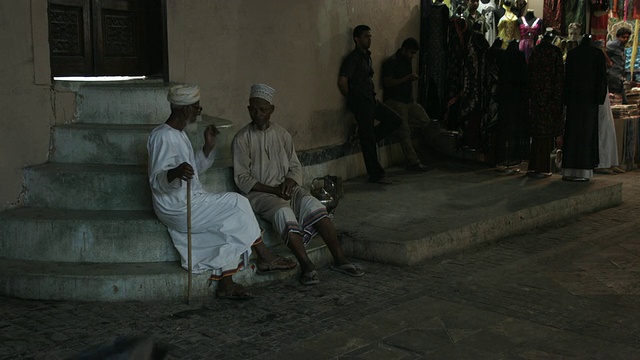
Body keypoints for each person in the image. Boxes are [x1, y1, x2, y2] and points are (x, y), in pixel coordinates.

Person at [147, 84, 296, 300]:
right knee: (238, 204)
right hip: (175, 205)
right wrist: (174, 173)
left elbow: (192, 171)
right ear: (185, 110)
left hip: (189, 198)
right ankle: (264, 255)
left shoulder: (179, 135)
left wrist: (207, 148)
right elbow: (157, 180)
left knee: (228, 222)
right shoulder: (162, 136)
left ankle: (226, 283)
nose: (199, 112)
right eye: (196, 108)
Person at [232, 84, 365, 286]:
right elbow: (242, 178)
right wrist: (275, 190)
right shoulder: (242, 139)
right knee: (283, 214)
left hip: (288, 190)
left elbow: (295, 166)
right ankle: (307, 266)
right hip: (261, 195)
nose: (257, 114)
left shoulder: (283, 135)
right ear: (248, 109)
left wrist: (289, 182)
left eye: (262, 109)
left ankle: (340, 259)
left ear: (272, 110)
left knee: (315, 207)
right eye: (253, 109)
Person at [338, 25, 402, 184]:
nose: (369, 39)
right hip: (361, 102)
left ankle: (368, 138)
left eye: (370, 36)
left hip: (371, 100)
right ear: (357, 39)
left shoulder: (367, 57)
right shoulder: (353, 58)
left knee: (395, 120)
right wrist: (352, 99)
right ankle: (376, 174)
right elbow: (343, 80)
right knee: (368, 140)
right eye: (366, 36)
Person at [382, 37, 432, 172]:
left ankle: (397, 126)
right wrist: (407, 78)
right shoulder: (392, 62)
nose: (412, 56)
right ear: (403, 49)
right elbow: (387, 83)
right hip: (396, 100)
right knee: (404, 132)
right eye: (410, 53)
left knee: (425, 120)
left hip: (408, 101)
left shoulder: (407, 61)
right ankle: (413, 162)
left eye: (414, 54)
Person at [562, 35, 608, 181]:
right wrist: (599, 98)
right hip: (589, 100)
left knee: (572, 132)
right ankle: (584, 169)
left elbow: (567, 78)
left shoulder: (572, 54)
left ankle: (569, 169)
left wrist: (566, 99)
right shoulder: (597, 55)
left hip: (574, 100)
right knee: (587, 134)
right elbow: (601, 78)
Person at [606, 27, 632, 104]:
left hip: (618, 76)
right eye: (623, 37)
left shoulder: (621, 46)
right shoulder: (613, 44)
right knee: (615, 98)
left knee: (622, 99)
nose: (626, 39)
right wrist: (608, 62)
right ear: (618, 37)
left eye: (627, 37)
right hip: (612, 75)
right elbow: (602, 49)